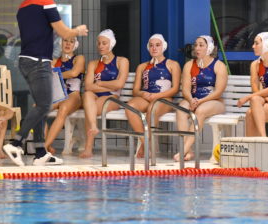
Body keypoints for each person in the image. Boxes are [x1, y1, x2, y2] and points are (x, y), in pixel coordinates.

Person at [3, 0, 88, 166]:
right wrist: (78, 30)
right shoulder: (46, 2)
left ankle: (40, 152)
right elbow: (64, 32)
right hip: (38, 62)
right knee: (43, 105)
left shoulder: (23, 6)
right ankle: (16, 142)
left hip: (25, 61)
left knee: (40, 105)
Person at [125, 34, 181, 158]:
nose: (154, 48)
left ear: (163, 46)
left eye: (157, 45)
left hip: (164, 98)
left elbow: (175, 89)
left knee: (152, 109)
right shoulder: (142, 67)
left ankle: (145, 147)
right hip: (147, 97)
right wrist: (143, 93)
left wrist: (157, 96)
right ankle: (146, 144)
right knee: (130, 107)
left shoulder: (172, 65)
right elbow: (135, 90)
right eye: (151, 45)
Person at [174, 35, 227, 161]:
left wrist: (200, 101)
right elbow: (185, 89)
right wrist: (191, 100)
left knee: (200, 111)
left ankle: (183, 150)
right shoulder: (189, 65)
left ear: (209, 48)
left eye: (201, 45)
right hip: (194, 100)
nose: (197, 48)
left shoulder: (219, 66)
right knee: (181, 108)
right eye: (196, 45)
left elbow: (218, 92)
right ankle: (189, 151)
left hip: (214, 102)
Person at [80, 29, 129, 158]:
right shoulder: (93, 64)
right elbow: (88, 86)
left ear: (111, 44)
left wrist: (100, 83)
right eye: (99, 43)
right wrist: (108, 85)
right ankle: (94, 127)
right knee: (87, 96)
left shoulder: (121, 61)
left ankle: (88, 148)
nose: (100, 46)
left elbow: (119, 85)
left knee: (90, 108)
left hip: (113, 98)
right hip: (96, 96)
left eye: (104, 43)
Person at [45, 37, 85, 153]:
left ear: (75, 45)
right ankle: (46, 145)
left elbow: (74, 73)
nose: (68, 43)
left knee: (63, 109)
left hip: (73, 95)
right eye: (65, 41)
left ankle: (44, 147)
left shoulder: (79, 58)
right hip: (57, 95)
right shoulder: (54, 61)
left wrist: (54, 74)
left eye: (71, 41)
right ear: (60, 43)